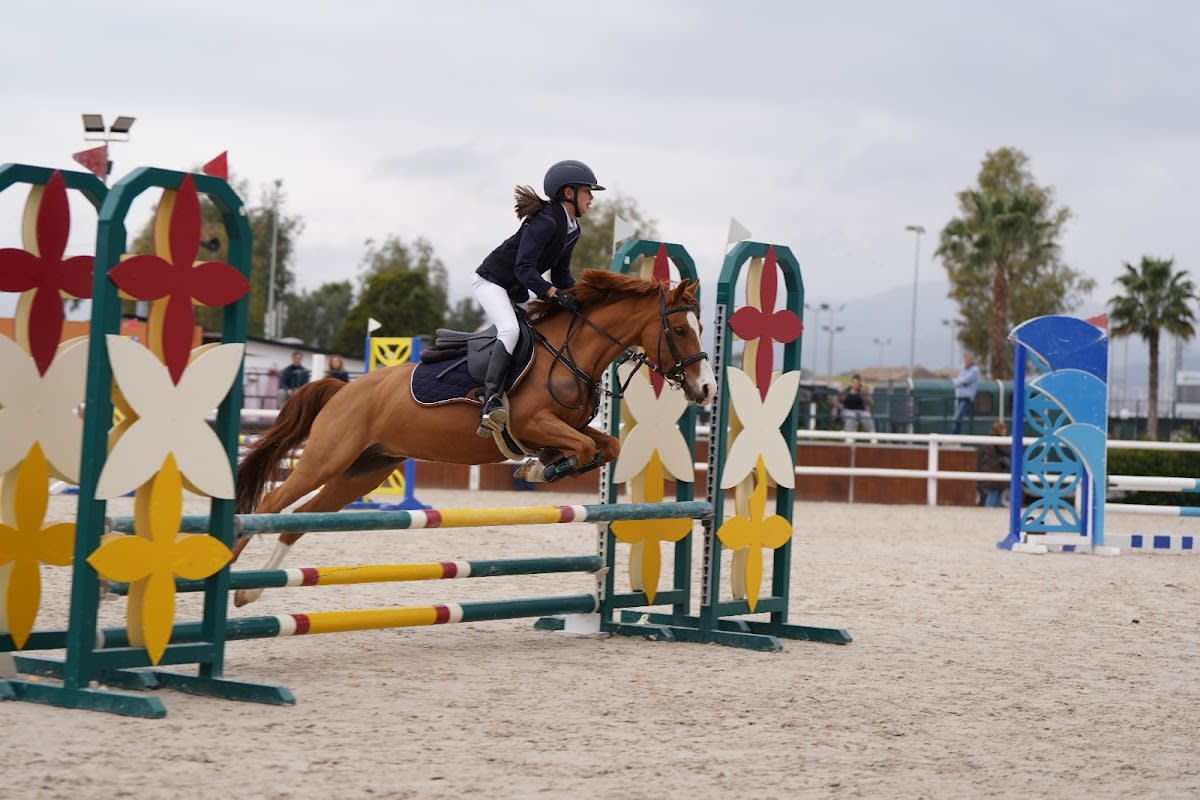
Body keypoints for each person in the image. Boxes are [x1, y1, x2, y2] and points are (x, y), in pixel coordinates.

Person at [472, 159, 604, 437]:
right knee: (509, 330)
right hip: (492, 282)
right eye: (587, 192)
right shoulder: (545, 222)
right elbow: (523, 268)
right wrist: (552, 294)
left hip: (516, 290)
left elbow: (561, 276)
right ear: (569, 193)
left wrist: (581, 297)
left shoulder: (572, 229)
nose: (592, 198)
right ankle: (490, 402)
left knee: (540, 336)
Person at [978, 421, 1011, 507]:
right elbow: (1006, 451)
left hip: (991, 469)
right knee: (994, 494)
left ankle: (990, 512)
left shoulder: (988, 439)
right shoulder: (998, 441)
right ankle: (990, 512)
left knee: (994, 493)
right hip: (996, 469)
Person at [951, 353, 980, 435]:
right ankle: (955, 436)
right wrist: (959, 382)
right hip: (960, 397)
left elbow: (964, 380)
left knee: (958, 418)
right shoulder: (964, 370)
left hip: (967, 398)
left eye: (967, 359)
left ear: (971, 360)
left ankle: (954, 436)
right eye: (965, 359)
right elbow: (958, 381)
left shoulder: (975, 370)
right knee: (957, 418)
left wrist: (959, 382)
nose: (965, 361)